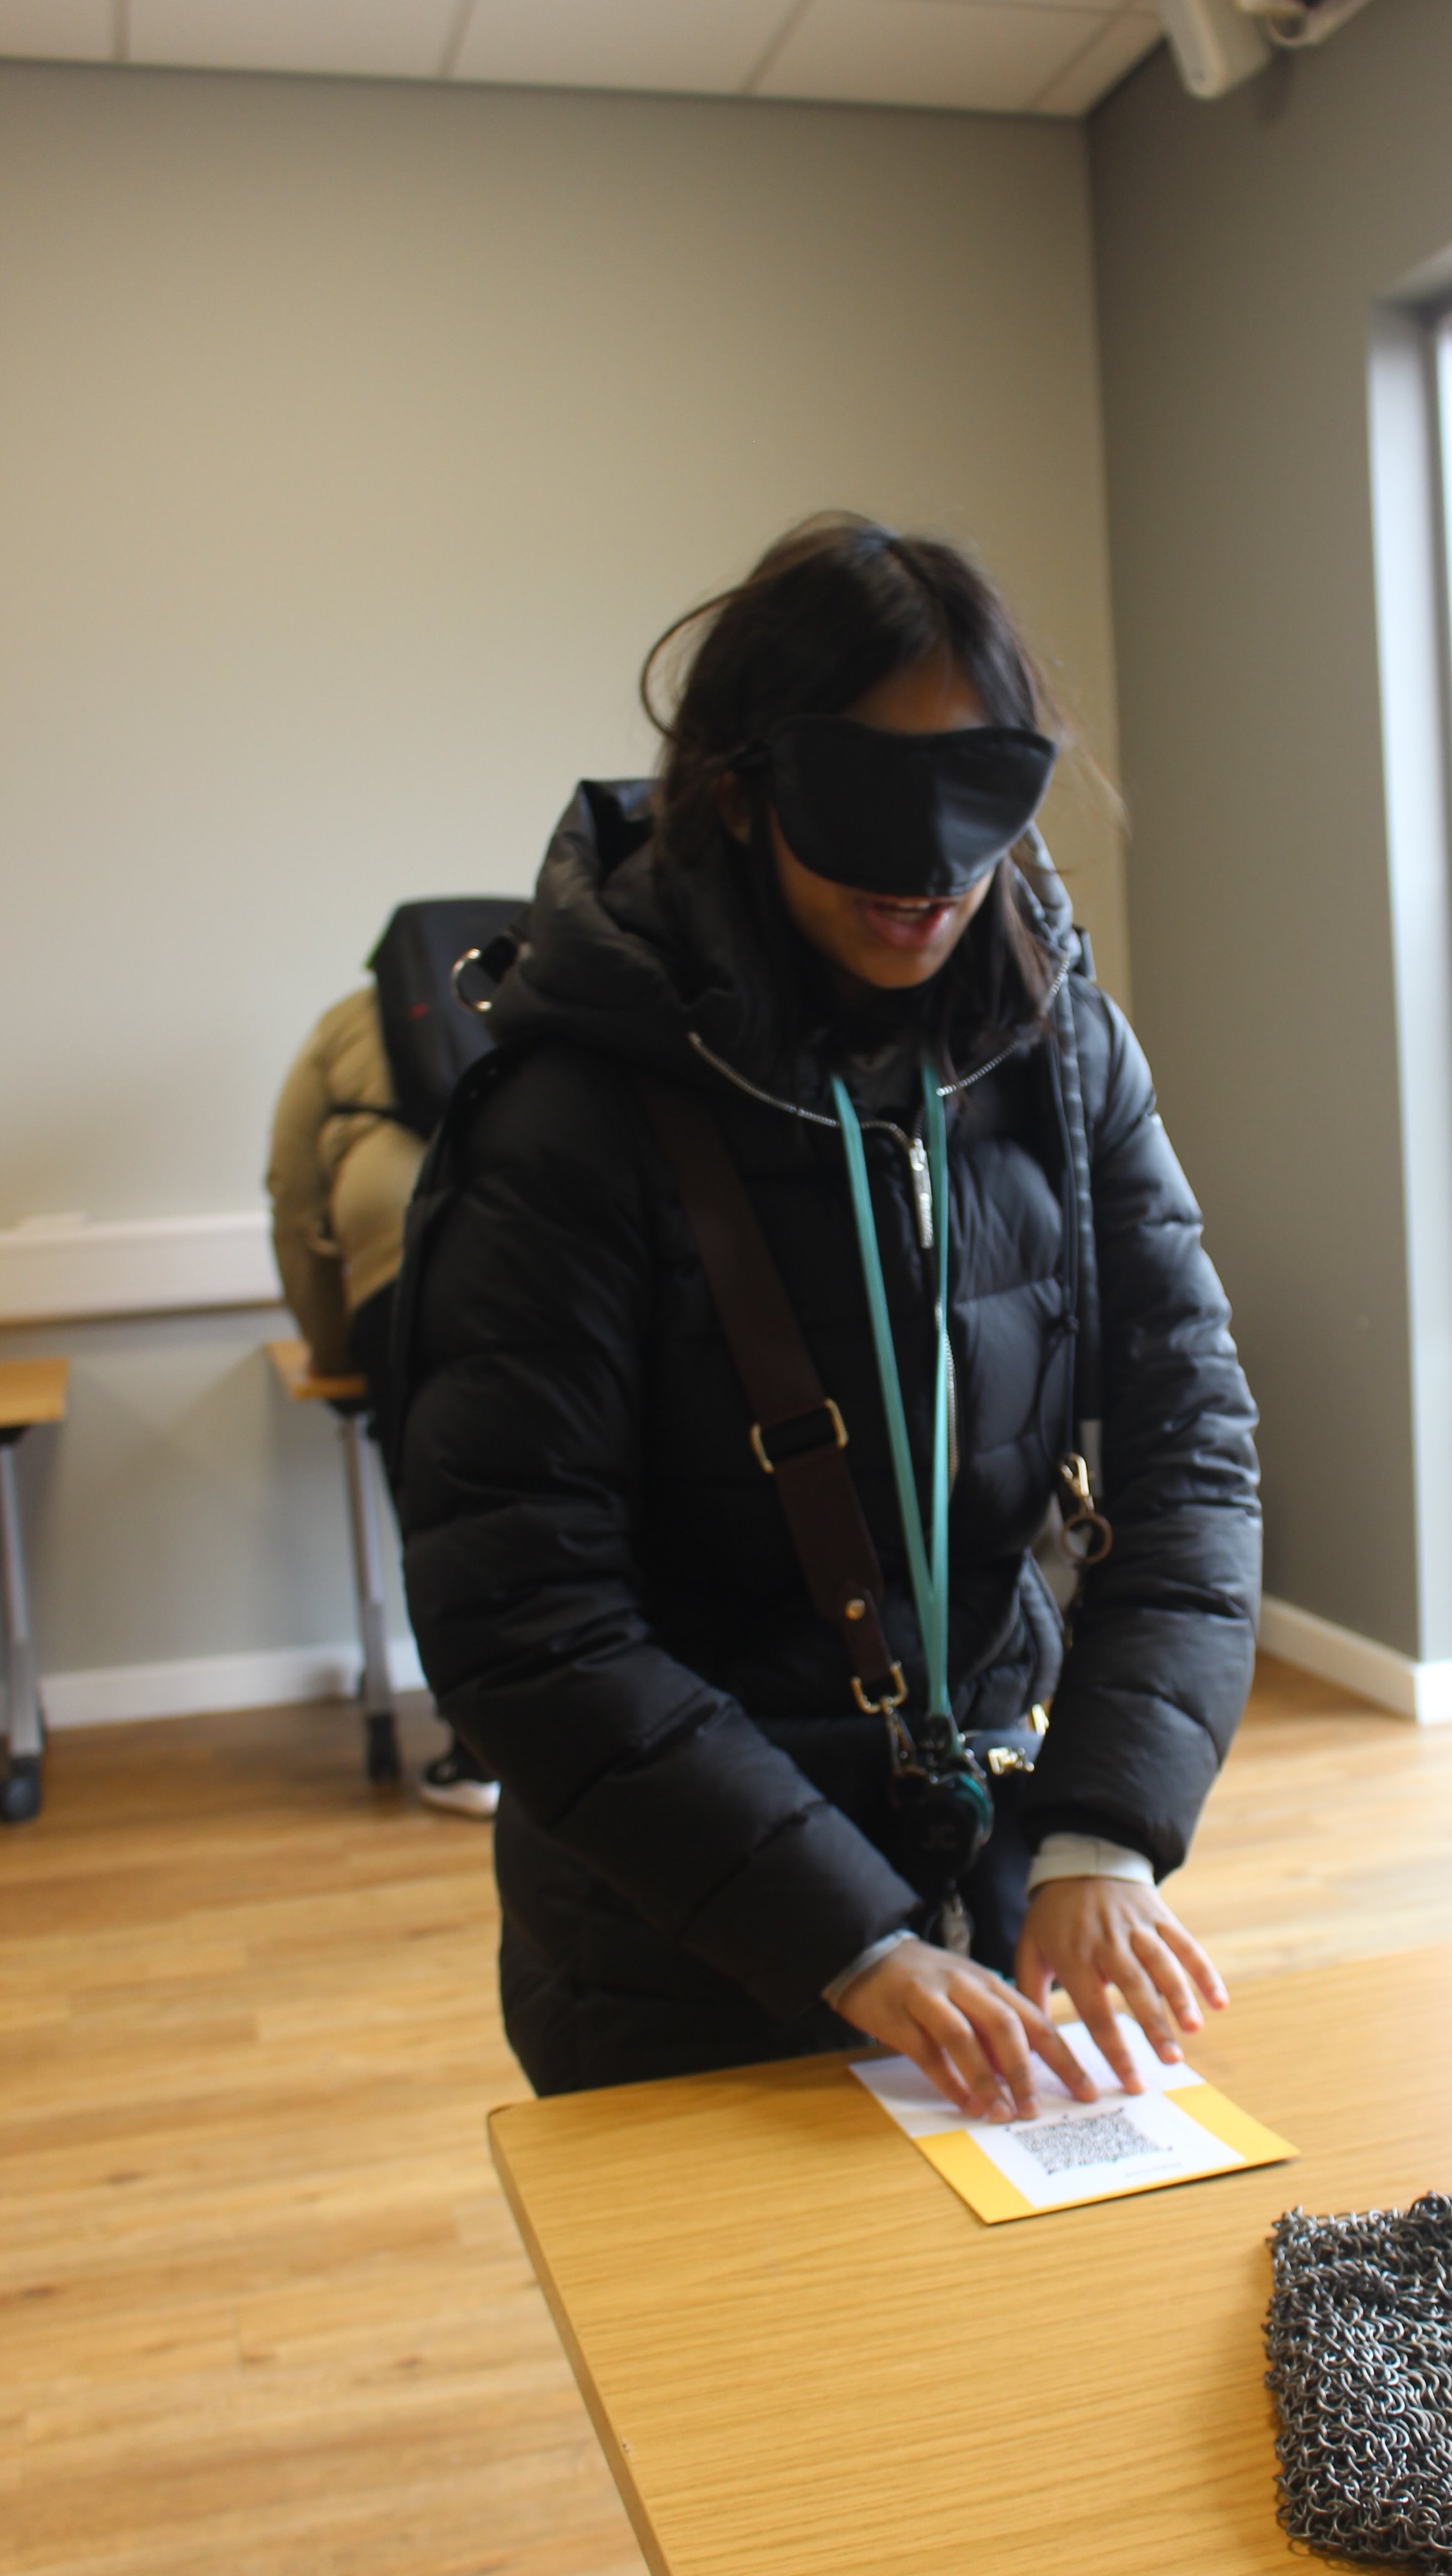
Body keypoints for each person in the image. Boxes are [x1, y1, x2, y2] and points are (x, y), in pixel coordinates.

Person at [391, 514, 1261, 2118]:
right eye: (868, 793)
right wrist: (837, 1934)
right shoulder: (566, 1113)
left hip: (996, 1857)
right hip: (683, 1919)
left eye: (977, 797)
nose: (931, 870)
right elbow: (523, 1609)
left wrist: (1105, 1831)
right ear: (739, 784)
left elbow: (1189, 1449)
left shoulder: (1062, 1057)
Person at [268, 987, 500, 1818]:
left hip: (398, 1253)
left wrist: (335, 1352)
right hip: (549, 1248)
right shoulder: (557, 978)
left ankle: (476, 1757)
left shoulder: (349, 1018)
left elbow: (295, 1185)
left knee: (443, 1508)